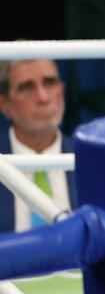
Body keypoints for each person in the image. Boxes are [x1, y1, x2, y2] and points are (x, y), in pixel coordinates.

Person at [0, 58, 75, 231]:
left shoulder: (90, 160)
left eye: (50, 83)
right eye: (26, 87)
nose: (43, 97)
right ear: (4, 104)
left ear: (62, 91)